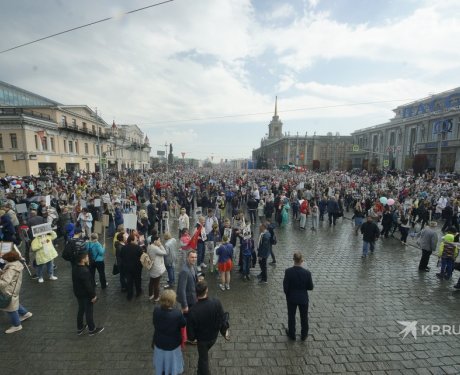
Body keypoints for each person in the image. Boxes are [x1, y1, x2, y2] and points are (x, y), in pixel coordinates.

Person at [187, 280, 226, 375]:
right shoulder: (216, 302)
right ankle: (199, 371)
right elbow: (222, 318)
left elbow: (190, 336)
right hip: (214, 337)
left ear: (196, 293)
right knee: (202, 358)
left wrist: (194, 338)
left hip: (202, 341)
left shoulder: (192, 311)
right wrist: (224, 332)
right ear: (207, 290)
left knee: (204, 359)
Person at [152, 290, 186, 375]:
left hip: (159, 342)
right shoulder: (177, 314)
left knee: (161, 362)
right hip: (172, 345)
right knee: (173, 363)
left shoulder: (156, 311)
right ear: (173, 301)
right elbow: (183, 324)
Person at [283, 252, 314, 341]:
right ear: (301, 261)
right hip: (303, 298)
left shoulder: (288, 271)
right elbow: (310, 287)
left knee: (291, 316)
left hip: (291, 298)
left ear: (293, 260)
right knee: (304, 317)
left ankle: (292, 334)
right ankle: (304, 335)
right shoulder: (307, 273)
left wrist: (288, 295)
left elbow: (285, 287)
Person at [72, 250, 104, 336]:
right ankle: (92, 329)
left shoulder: (75, 268)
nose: (88, 258)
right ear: (82, 259)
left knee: (81, 310)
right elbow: (88, 286)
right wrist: (93, 296)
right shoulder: (84, 271)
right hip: (86, 295)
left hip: (78, 293)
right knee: (89, 312)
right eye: (86, 257)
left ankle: (80, 328)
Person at [0, 250, 33, 334]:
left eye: (4, 258)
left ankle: (16, 325)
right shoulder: (16, 264)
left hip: (8, 291)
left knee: (10, 309)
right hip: (14, 289)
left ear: (8, 259)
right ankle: (25, 313)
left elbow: (4, 283)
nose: (3, 260)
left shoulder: (11, 268)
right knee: (14, 303)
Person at [120, 233, 143, 301]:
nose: (137, 240)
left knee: (129, 281)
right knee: (137, 281)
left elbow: (121, 256)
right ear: (132, 240)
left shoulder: (124, 248)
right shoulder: (138, 248)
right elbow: (142, 256)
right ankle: (138, 292)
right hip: (137, 268)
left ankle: (129, 295)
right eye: (136, 239)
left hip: (127, 268)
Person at [176, 251, 198, 318]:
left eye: (195, 257)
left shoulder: (193, 266)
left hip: (193, 298)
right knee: (187, 318)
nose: (194, 259)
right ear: (187, 258)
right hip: (188, 301)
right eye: (192, 257)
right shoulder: (184, 271)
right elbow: (181, 290)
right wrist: (185, 305)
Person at [147, 235, 167, 302]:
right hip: (156, 268)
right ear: (155, 241)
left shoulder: (149, 246)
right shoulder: (155, 248)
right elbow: (165, 252)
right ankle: (156, 297)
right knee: (156, 284)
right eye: (158, 240)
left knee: (151, 282)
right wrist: (161, 245)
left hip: (152, 267)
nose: (160, 242)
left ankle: (150, 295)